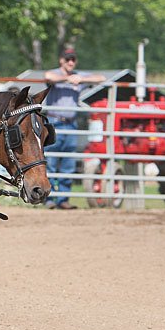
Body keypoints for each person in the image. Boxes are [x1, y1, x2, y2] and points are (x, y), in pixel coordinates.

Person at [43, 48, 105, 210]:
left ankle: (63, 199)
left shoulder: (78, 76)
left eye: (73, 59)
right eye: (68, 59)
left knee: (68, 165)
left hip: (71, 124)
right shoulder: (57, 74)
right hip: (54, 123)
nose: (71, 62)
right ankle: (48, 199)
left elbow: (101, 78)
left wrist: (81, 79)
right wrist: (67, 79)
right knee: (50, 163)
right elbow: (48, 77)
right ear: (61, 60)